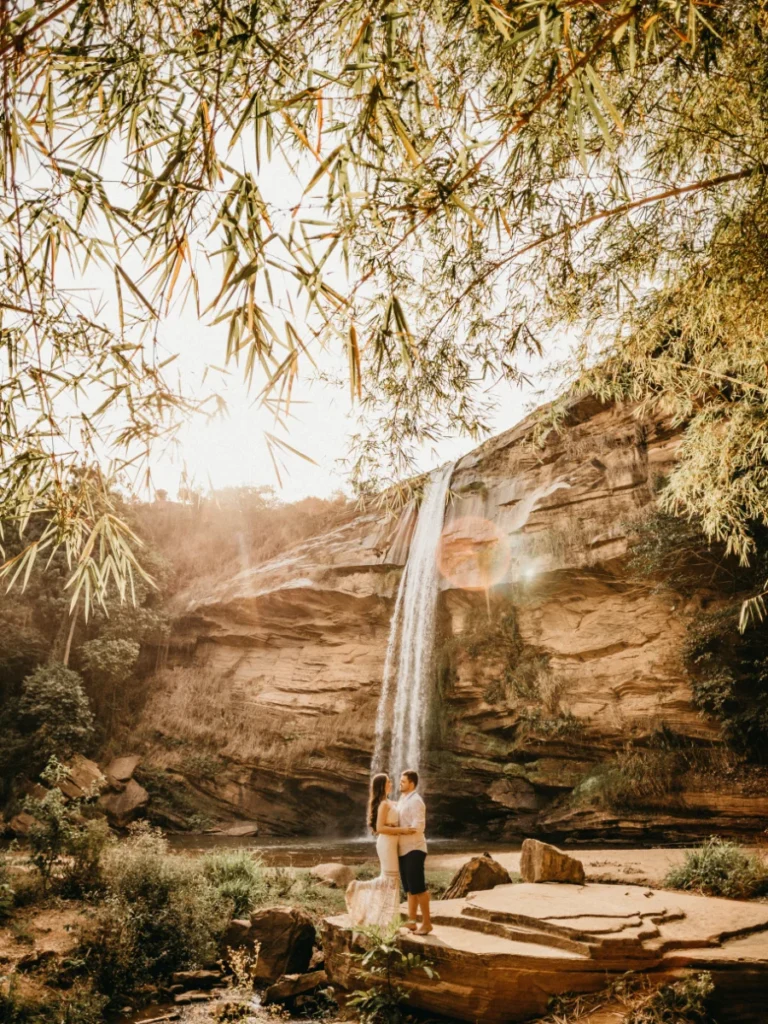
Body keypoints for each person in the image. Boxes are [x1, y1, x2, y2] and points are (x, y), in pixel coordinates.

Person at [345, 772, 417, 928]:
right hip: (386, 843)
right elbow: (379, 828)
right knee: (390, 879)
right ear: (382, 786)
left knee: (391, 879)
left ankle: (389, 918)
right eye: (388, 782)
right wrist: (403, 830)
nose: (391, 784)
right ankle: (359, 887)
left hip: (393, 842)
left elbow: (406, 805)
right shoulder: (383, 804)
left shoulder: (391, 802)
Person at [397, 769, 432, 935]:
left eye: (403, 781)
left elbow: (418, 826)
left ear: (411, 783)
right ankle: (412, 922)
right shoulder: (402, 799)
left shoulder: (416, 801)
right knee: (409, 888)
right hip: (403, 849)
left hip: (414, 848)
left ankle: (427, 924)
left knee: (418, 887)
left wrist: (398, 831)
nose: (400, 784)